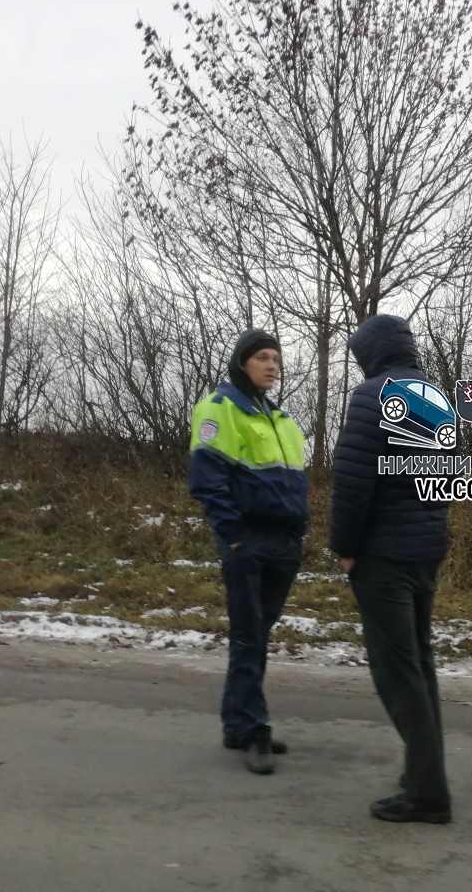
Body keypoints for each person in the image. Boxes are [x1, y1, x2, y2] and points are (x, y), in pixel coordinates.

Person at [331, 314, 453, 824]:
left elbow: (353, 481)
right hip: (424, 551)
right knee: (418, 667)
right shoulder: (435, 399)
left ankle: (428, 796)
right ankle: (422, 774)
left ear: (372, 353)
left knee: (396, 673)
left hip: (383, 557)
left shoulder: (372, 396)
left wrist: (345, 547)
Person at [189, 328, 309, 775]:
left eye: (276, 359)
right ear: (243, 363)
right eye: (262, 357)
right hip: (248, 541)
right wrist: (233, 535)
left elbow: (295, 481)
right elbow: (207, 480)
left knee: (256, 633)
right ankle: (253, 729)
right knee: (249, 635)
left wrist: (299, 531)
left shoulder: (279, 419)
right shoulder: (220, 409)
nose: (272, 365)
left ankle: (236, 724)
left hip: (283, 543)